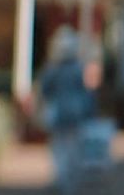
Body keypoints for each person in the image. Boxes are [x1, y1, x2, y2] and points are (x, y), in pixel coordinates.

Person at [36, 28, 96, 194]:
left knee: (61, 150)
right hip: (75, 114)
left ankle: (64, 180)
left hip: (60, 115)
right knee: (72, 150)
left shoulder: (53, 69)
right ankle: (68, 182)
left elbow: (45, 90)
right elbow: (86, 93)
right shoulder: (78, 68)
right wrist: (89, 112)